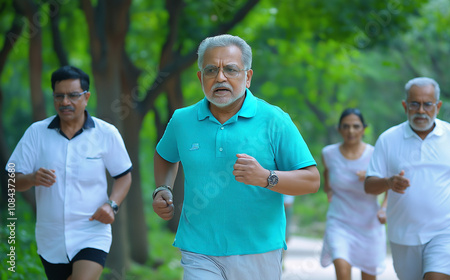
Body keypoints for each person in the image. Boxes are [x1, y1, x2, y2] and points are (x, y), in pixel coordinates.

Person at [152, 34, 320, 280]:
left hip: (257, 250)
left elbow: (311, 181)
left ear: (248, 77)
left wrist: (265, 177)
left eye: (230, 69)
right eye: (211, 70)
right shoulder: (182, 120)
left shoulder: (275, 120)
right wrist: (162, 189)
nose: (220, 78)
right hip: (199, 249)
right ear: (200, 78)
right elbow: (165, 156)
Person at [6, 65, 133, 280]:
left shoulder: (106, 133)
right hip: (51, 237)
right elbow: (11, 181)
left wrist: (112, 204)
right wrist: (32, 178)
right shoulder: (36, 133)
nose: (65, 102)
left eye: (73, 95)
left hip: (92, 231)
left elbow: (123, 175)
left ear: (86, 97)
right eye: (59, 96)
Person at [365, 77, 450, 280]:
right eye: (415, 104)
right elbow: (369, 185)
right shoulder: (388, 139)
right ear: (405, 106)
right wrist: (388, 183)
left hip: (444, 230)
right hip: (403, 234)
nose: (421, 110)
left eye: (427, 104)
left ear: (437, 106)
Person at [320, 108, 387, 280]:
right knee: (342, 273)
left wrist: (384, 208)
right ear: (339, 129)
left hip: (369, 225)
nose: (351, 131)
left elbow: (389, 184)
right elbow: (327, 174)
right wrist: (329, 190)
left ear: (364, 129)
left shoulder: (374, 155)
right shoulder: (328, 153)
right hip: (339, 223)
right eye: (346, 126)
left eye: (356, 126)